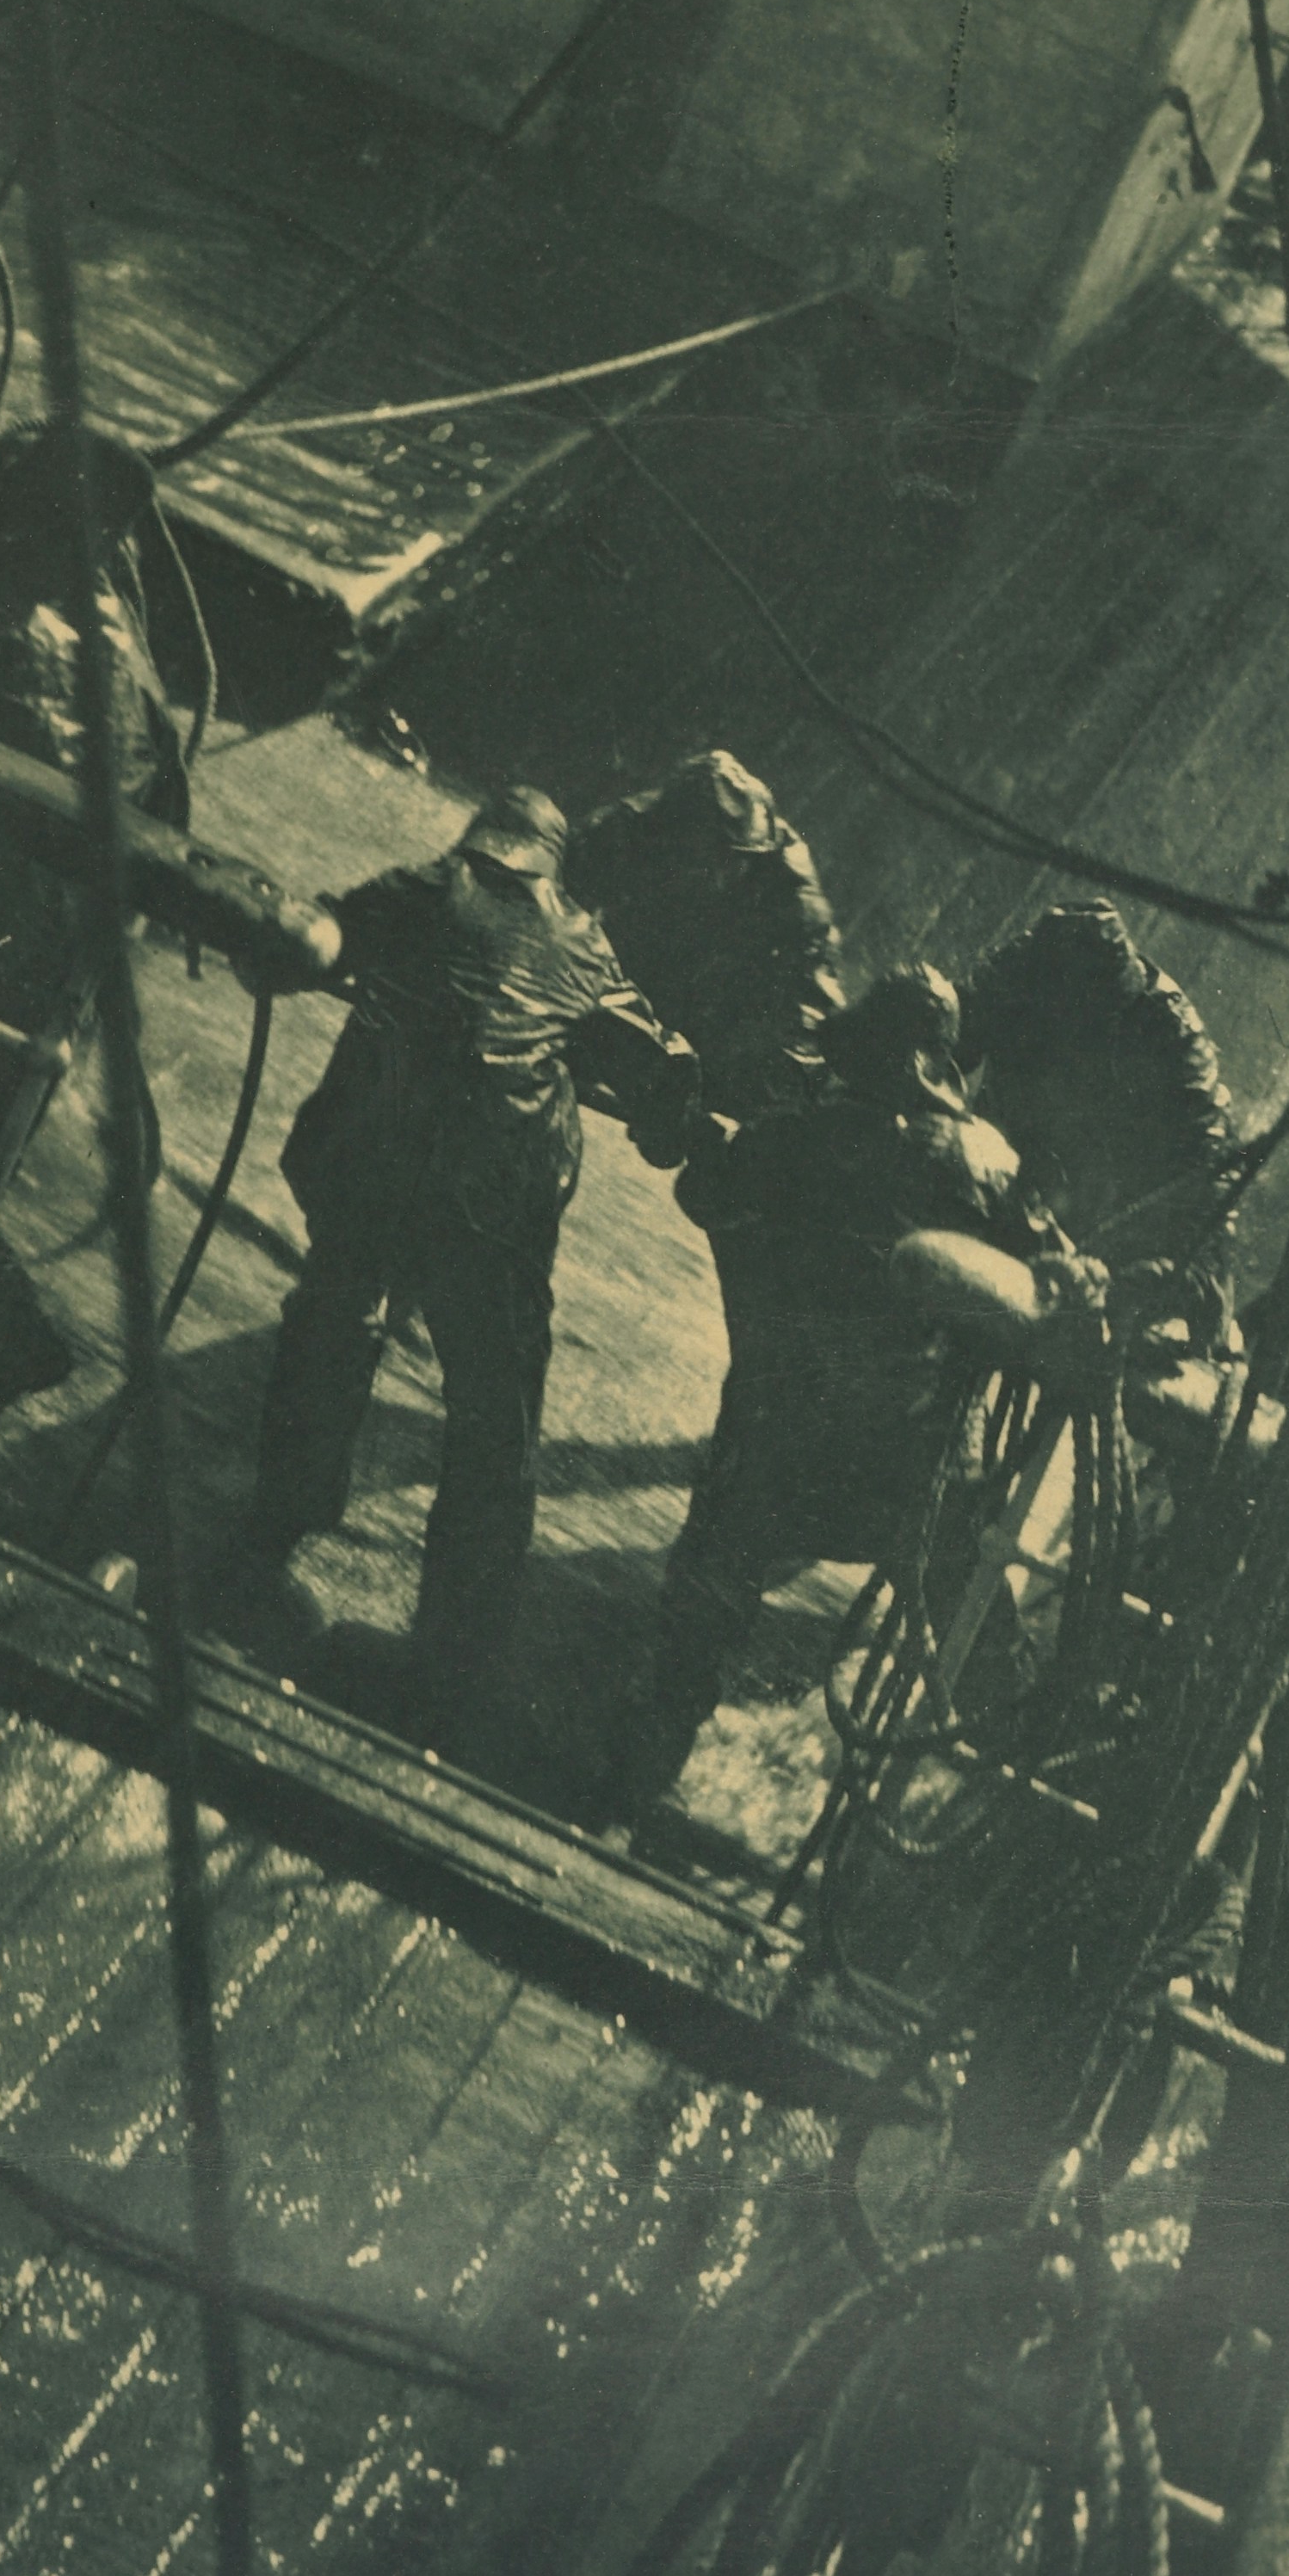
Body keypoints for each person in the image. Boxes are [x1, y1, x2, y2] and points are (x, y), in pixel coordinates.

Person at [231, 787, 701, 1704]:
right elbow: (662, 1070)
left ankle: (269, 1544)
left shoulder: (425, 887)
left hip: (381, 1155)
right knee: (495, 1409)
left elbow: (310, 942)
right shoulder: (585, 941)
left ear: (481, 842)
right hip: (501, 1190)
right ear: (550, 867)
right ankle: (454, 1650)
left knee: (333, 1315)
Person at [615, 960, 1103, 1815]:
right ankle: (1029, 1791)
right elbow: (1049, 1275)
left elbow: (709, 1192)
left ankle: (637, 1770)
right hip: (914, 1462)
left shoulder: (794, 1131)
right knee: (971, 1613)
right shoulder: (988, 1160)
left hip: (780, 1435)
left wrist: (694, 1133)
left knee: (705, 1592)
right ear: (937, 1064)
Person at [0, 419, 194, 1453]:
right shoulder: (124, 651)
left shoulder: (18, 636)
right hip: (43, 963)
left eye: (12, 504)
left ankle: (4, 1341)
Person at [570, 747, 842, 1123]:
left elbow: (808, 1030)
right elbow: (547, 897)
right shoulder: (637, 823)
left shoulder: (797, 905)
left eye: (720, 858)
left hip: (713, 1026)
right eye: (688, 851)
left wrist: (757, 1118)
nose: (702, 869)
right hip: (621, 983)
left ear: (750, 856)